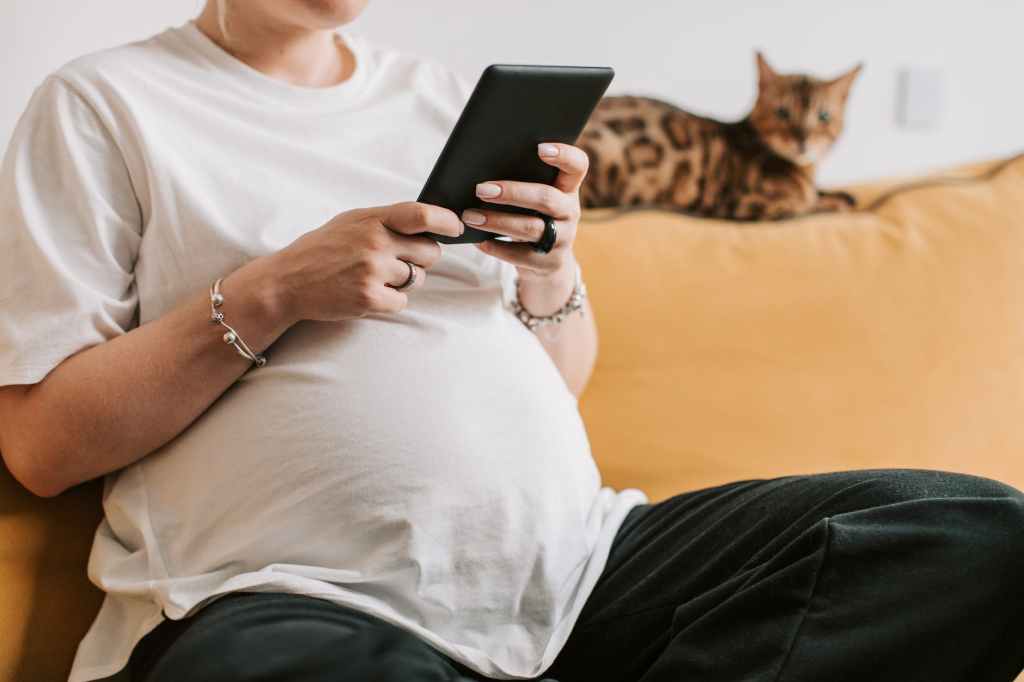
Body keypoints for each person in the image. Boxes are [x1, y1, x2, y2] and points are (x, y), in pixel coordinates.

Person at [0, 1, 1021, 680]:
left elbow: (556, 373)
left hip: (583, 570)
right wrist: (271, 290)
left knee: (969, 533)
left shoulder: (438, 96)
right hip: (294, 595)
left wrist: (548, 270)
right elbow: (44, 447)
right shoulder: (102, 106)